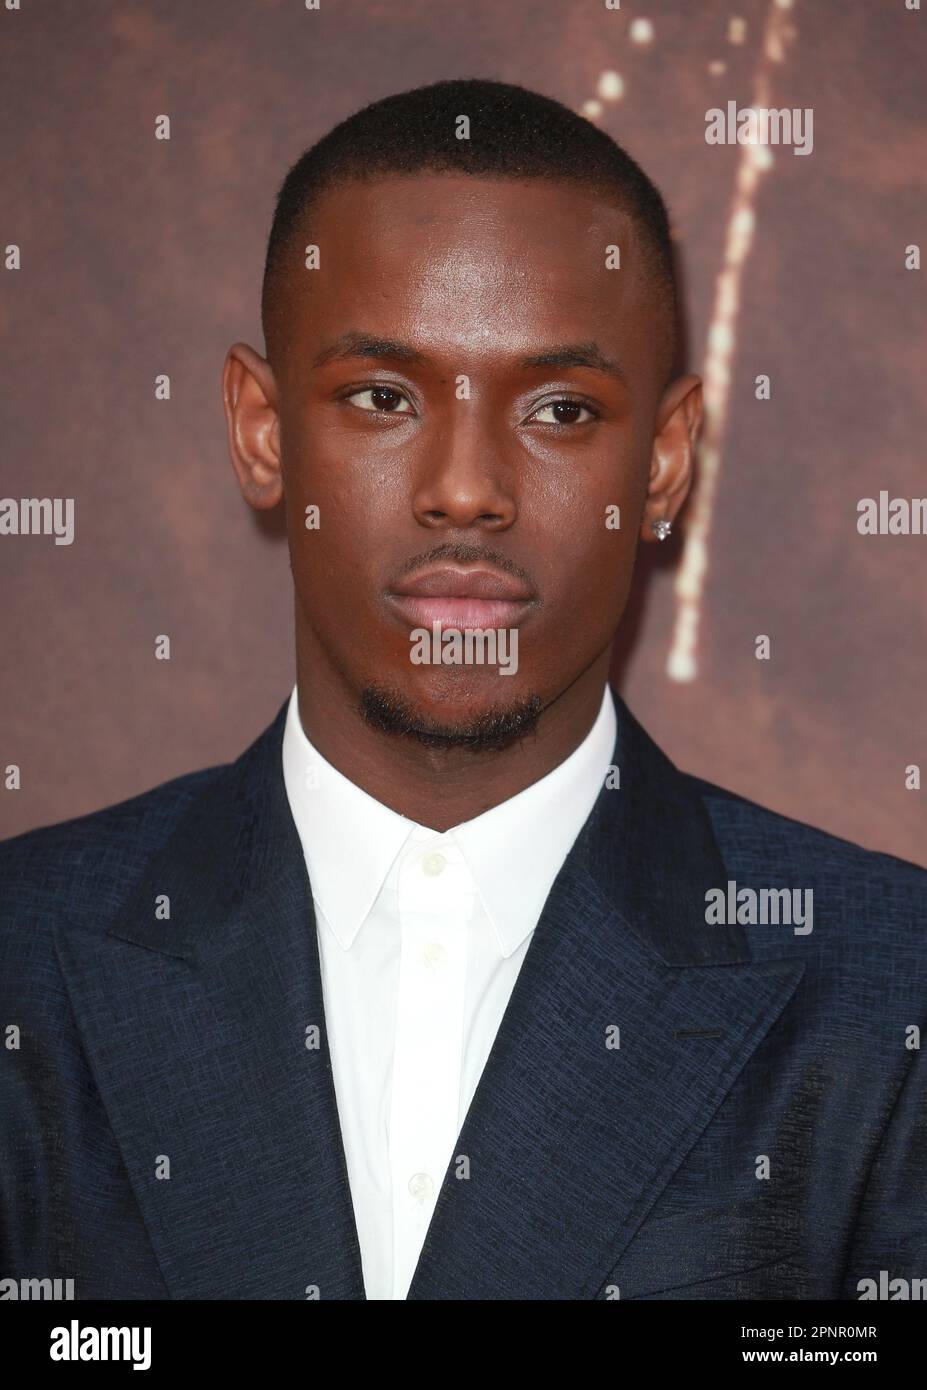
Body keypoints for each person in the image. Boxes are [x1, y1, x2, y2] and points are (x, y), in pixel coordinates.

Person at [1, 79, 925, 1302]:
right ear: (264, 432)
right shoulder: (24, 962)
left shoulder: (890, 992)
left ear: (661, 461)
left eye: (558, 408)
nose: (467, 489)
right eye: (385, 397)